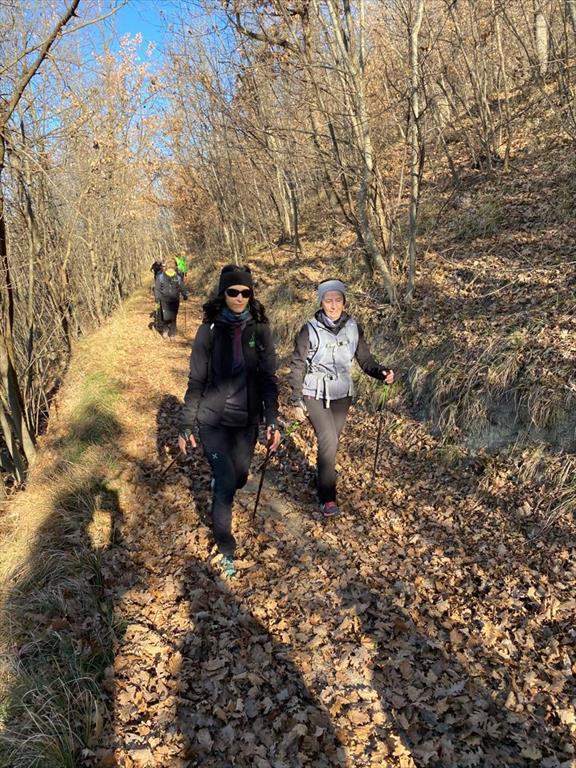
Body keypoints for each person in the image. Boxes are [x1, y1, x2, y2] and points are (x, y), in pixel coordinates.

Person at [178, 264, 281, 577]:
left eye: (245, 292)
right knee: (224, 483)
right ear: (223, 294)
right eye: (233, 291)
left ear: (251, 295)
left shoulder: (260, 330)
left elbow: (269, 378)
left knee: (239, 478)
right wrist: (186, 424)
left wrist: (272, 420)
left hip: (246, 421)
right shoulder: (208, 331)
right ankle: (226, 549)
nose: (239, 297)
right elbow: (196, 381)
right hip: (213, 421)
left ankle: (224, 482)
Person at [288, 278, 394, 518]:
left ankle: (322, 476)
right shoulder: (309, 329)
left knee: (332, 442)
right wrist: (296, 400)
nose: (333, 305)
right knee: (328, 439)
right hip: (314, 392)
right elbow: (297, 365)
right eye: (328, 300)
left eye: (338, 300)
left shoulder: (354, 327)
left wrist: (382, 372)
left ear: (344, 301)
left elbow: (365, 360)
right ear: (321, 302)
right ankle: (327, 497)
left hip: (342, 394)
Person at [154, 257, 189, 338]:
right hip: (171, 299)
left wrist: (157, 297)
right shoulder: (175, 277)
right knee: (172, 316)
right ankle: (170, 332)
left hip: (166, 300)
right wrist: (185, 294)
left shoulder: (163, 277)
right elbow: (182, 288)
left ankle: (167, 331)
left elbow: (157, 288)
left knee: (166, 316)